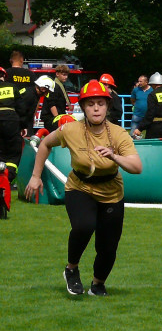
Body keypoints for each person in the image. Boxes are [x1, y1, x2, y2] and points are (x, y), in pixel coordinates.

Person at [24, 81, 143, 294]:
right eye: (90, 104)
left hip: (111, 191)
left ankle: (97, 284)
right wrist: (35, 176)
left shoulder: (118, 133)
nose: (96, 108)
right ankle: (72, 269)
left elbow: (137, 167)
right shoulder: (70, 129)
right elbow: (45, 144)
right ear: (83, 107)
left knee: (108, 246)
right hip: (80, 187)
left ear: (107, 106)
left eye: (100, 103)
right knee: (84, 226)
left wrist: (114, 156)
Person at [0, 58, 39, 205]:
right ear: (4, 76)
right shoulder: (12, 87)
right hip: (11, 122)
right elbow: (21, 108)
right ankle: (7, 179)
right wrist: (23, 126)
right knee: (13, 154)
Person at [133, 73, 162, 139]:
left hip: (156, 127)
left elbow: (150, 114)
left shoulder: (152, 94)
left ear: (153, 84)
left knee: (152, 147)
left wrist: (140, 128)